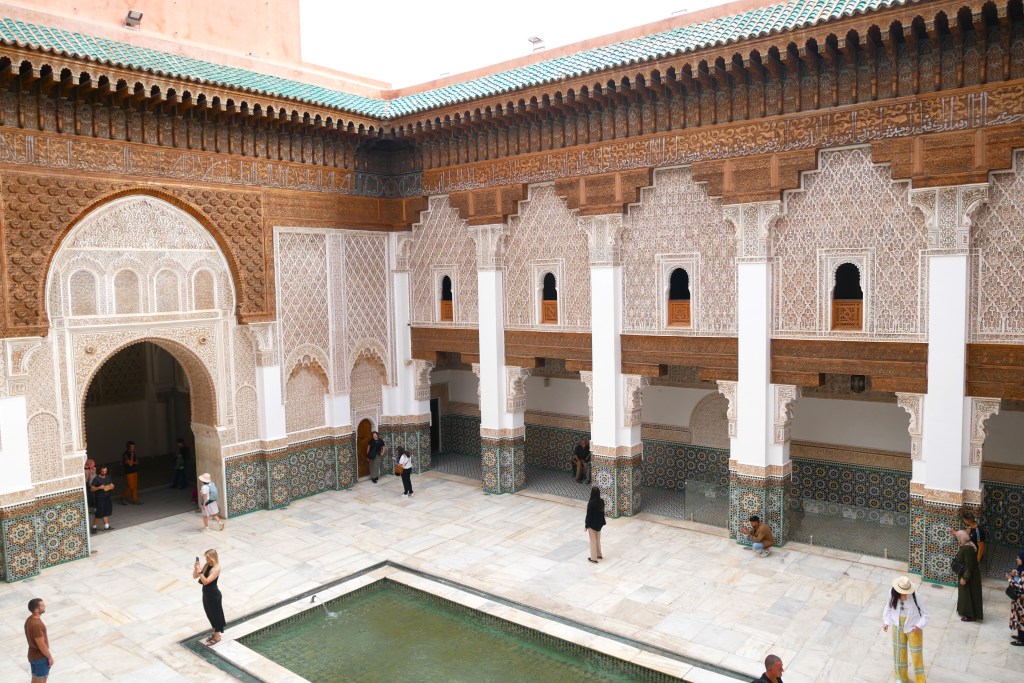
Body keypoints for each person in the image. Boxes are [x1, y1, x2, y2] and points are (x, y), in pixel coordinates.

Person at [883, 575, 929, 683]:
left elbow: (926, 614)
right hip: (898, 625)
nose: (904, 594)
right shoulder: (891, 593)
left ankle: (921, 680)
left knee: (916, 654)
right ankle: (901, 678)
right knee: (899, 653)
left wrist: (919, 625)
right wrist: (886, 622)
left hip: (914, 627)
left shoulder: (916, 596)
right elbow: (888, 607)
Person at [193, 549, 226, 646]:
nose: (206, 559)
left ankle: (217, 636)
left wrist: (200, 572)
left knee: (216, 615)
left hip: (214, 595)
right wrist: (196, 569)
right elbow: (195, 576)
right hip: (206, 594)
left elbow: (206, 581)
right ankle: (215, 633)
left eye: (208, 557)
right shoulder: (207, 565)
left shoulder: (216, 568)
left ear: (212, 558)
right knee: (210, 614)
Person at [954, 529, 983, 622]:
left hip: (969, 577)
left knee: (968, 595)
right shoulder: (967, 545)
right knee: (964, 594)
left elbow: (969, 565)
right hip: (967, 574)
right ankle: (965, 611)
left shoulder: (967, 549)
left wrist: (965, 578)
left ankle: (970, 615)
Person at [25, 597, 52, 683]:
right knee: (41, 680)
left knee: (35, 680)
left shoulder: (29, 620)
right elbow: (41, 644)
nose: (45, 606)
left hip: (32, 655)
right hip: (40, 657)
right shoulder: (37, 624)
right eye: (42, 606)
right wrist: (49, 657)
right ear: (36, 610)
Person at [584, 486, 606, 564]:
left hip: (592, 525)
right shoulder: (602, 501)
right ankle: (599, 554)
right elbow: (602, 513)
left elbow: (589, 515)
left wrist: (586, 525)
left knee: (593, 541)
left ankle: (593, 558)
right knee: (598, 540)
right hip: (599, 525)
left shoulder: (591, 503)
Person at [90, 465, 115, 532]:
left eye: (105, 471)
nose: (104, 472)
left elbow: (111, 485)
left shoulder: (108, 477)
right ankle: (94, 528)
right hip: (99, 498)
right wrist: (99, 488)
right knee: (99, 513)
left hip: (107, 497)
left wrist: (112, 486)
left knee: (106, 512)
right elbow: (92, 489)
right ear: (100, 471)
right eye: (103, 471)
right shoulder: (96, 479)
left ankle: (106, 526)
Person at [1007, 551, 1024, 646]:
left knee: (1021, 619)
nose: (1017, 559)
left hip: (1022, 601)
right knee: (1018, 617)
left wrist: (1010, 579)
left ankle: (1022, 640)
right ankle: (1020, 636)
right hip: (1019, 600)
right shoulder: (1021, 569)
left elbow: (1020, 587)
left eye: (1018, 558)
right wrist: (1014, 575)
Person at [120, 440, 142, 505]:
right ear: (128, 447)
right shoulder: (126, 454)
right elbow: (130, 464)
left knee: (135, 486)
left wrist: (132, 461)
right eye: (132, 447)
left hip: (135, 471)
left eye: (134, 447)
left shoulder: (134, 453)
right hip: (129, 472)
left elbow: (137, 462)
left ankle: (135, 500)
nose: (133, 448)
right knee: (131, 486)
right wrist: (132, 457)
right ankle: (123, 496)